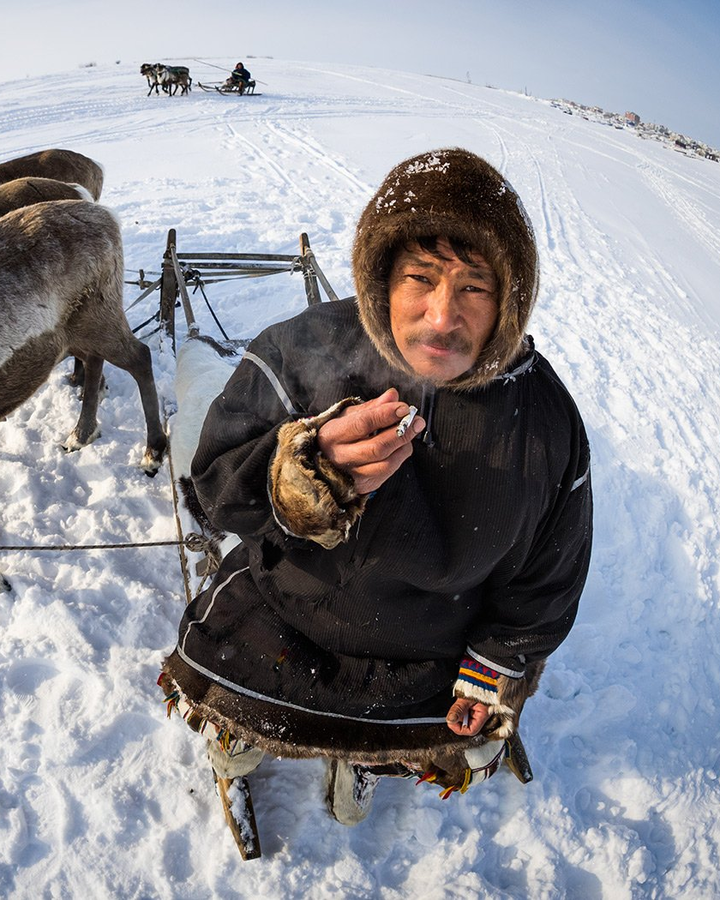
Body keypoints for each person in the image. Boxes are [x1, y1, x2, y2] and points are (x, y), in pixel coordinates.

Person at [160, 148, 593, 827]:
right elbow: (216, 493)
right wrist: (292, 479)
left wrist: (495, 664)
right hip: (287, 615)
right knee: (237, 701)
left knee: (425, 731)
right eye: (421, 277)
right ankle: (236, 748)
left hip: (429, 658)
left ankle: (360, 757)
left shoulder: (543, 420)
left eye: (475, 287)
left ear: (509, 299)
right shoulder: (300, 351)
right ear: (383, 274)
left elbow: (546, 579)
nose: (442, 316)